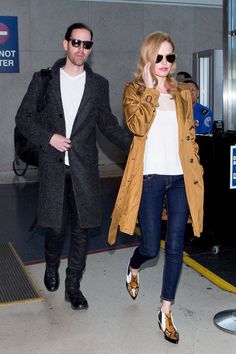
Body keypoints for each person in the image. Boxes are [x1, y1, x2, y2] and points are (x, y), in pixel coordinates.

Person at [16, 22, 131, 310]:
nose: (81, 49)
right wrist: (49, 137)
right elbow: (23, 118)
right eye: (76, 42)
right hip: (54, 168)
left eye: (87, 44)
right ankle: (52, 264)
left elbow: (108, 125)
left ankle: (73, 287)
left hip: (84, 170)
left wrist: (139, 147)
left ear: (91, 49)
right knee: (54, 228)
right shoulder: (44, 80)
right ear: (65, 43)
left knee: (82, 230)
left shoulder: (98, 84)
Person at [108, 31, 204, 344]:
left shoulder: (182, 95)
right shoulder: (133, 91)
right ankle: (133, 268)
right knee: (151, 247)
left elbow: (190, 137)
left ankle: (165, 310)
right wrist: (150, 91)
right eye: (159, 57)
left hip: (179, 180)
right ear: (149, 58)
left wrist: (197, 169)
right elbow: (136, 126)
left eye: (170, 57)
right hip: (149, 177)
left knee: (175, 245)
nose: (165, 63)